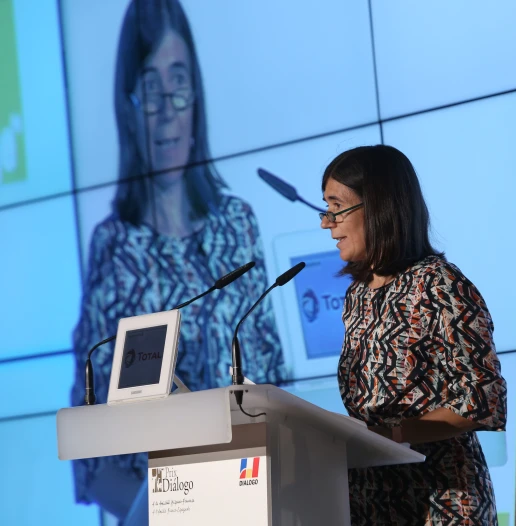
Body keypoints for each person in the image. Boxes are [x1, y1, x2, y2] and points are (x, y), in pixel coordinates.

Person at [69, 0, 284, 523]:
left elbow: (276, 389)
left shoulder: (238, 225)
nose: (167, 109)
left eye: (179, 84)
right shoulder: (114, 248)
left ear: (197, 102)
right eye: (149, 90)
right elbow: (93, 464)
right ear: (128, 106)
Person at [319, 145, 507, 525]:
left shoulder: (440, 285)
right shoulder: (357, 297)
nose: (327, 222)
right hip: (371, 499)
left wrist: (397, 433)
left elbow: (483, 399)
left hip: (440, 499)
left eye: (337, 206)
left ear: (378, 206)